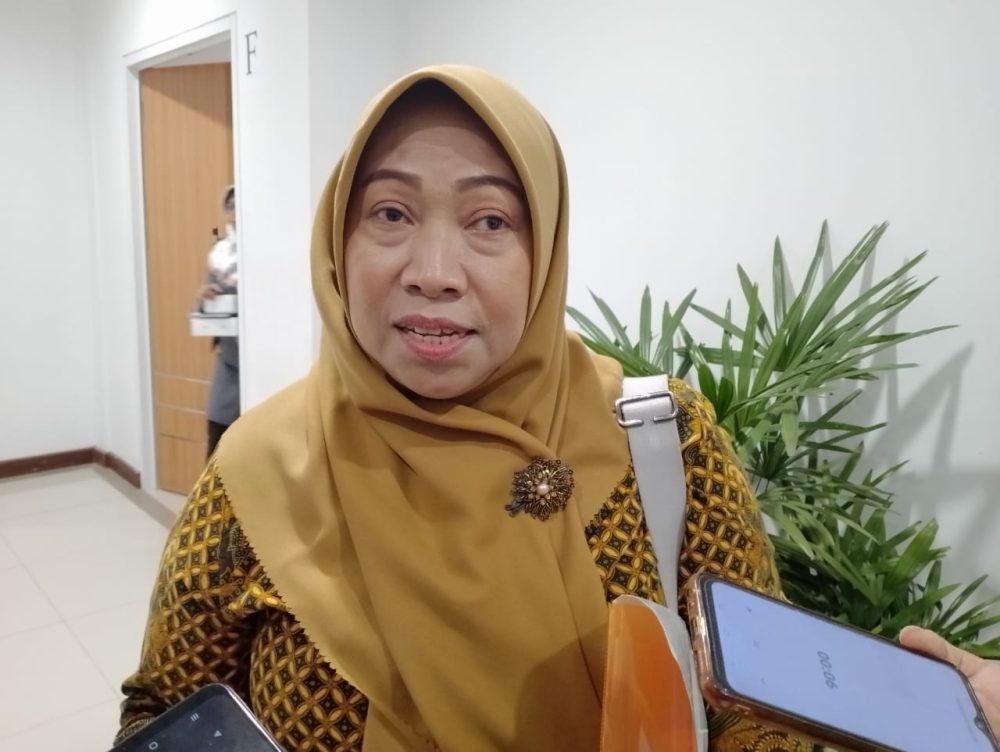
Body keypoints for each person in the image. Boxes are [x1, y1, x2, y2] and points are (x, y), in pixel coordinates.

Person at [116, 66, 997, 751]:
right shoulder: (253, 476)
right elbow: (160, 707)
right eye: (389, 212)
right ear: (337, 241)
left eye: (490, 221)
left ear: (545, 250)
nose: (434, 271)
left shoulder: (665, 442)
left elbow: (756, 718)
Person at [197, 185, 240, 457]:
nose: (235, 211)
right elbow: (204, 314)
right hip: (229, 365)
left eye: (240, 204)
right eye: (230, 205)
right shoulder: (219, 255)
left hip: (265, 366)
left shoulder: (268, 249)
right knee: (217, 451)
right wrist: (205, 297)